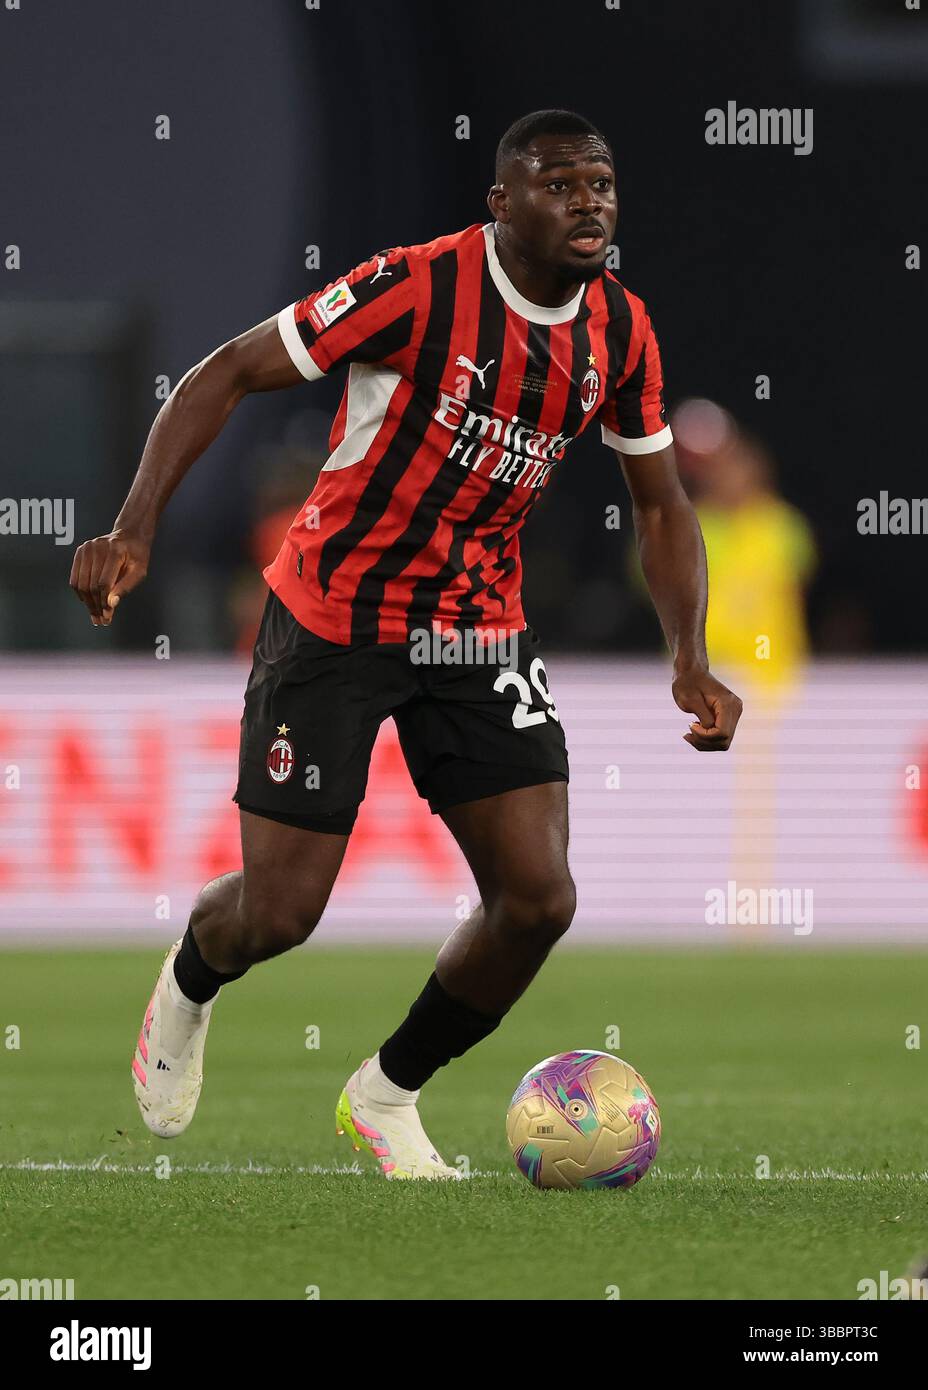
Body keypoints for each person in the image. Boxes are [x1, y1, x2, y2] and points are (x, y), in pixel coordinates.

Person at [69, 109, 742, 1180]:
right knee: (280, 914)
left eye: (601, 183)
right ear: (501, 205)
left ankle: (385, 1093)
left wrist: (687, 657)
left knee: (538, 897)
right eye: (558, 183)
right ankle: (193, 978)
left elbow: (659, 506)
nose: (588, 202)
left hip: (476, 629)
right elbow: (226, 372)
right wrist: (135, 526)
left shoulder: (621, 329)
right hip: (336, 615)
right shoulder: (415, 286)